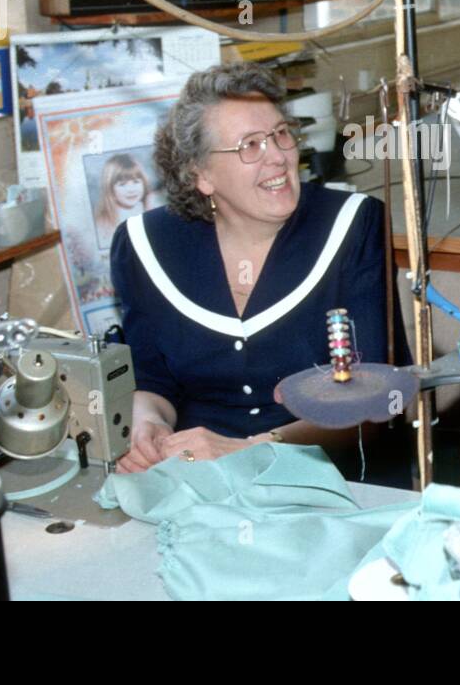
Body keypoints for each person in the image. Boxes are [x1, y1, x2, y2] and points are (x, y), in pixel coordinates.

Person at [110, 62, 409, 479]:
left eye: (281, 134)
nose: (278, 157)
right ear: (201, 174)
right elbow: (152, 381)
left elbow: (377, 401)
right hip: (198, 475)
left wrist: (247, 449)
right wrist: (149, 426)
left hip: (331, 476)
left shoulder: (353, 225)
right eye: (250, 145)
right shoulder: (144, 244)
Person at [93, 153, 150, 250]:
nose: (131, 189)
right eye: (122, 184)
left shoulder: (149, 209)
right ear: (110, 188)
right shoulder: (104, 224)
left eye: (136, 182)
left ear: (144, 183)